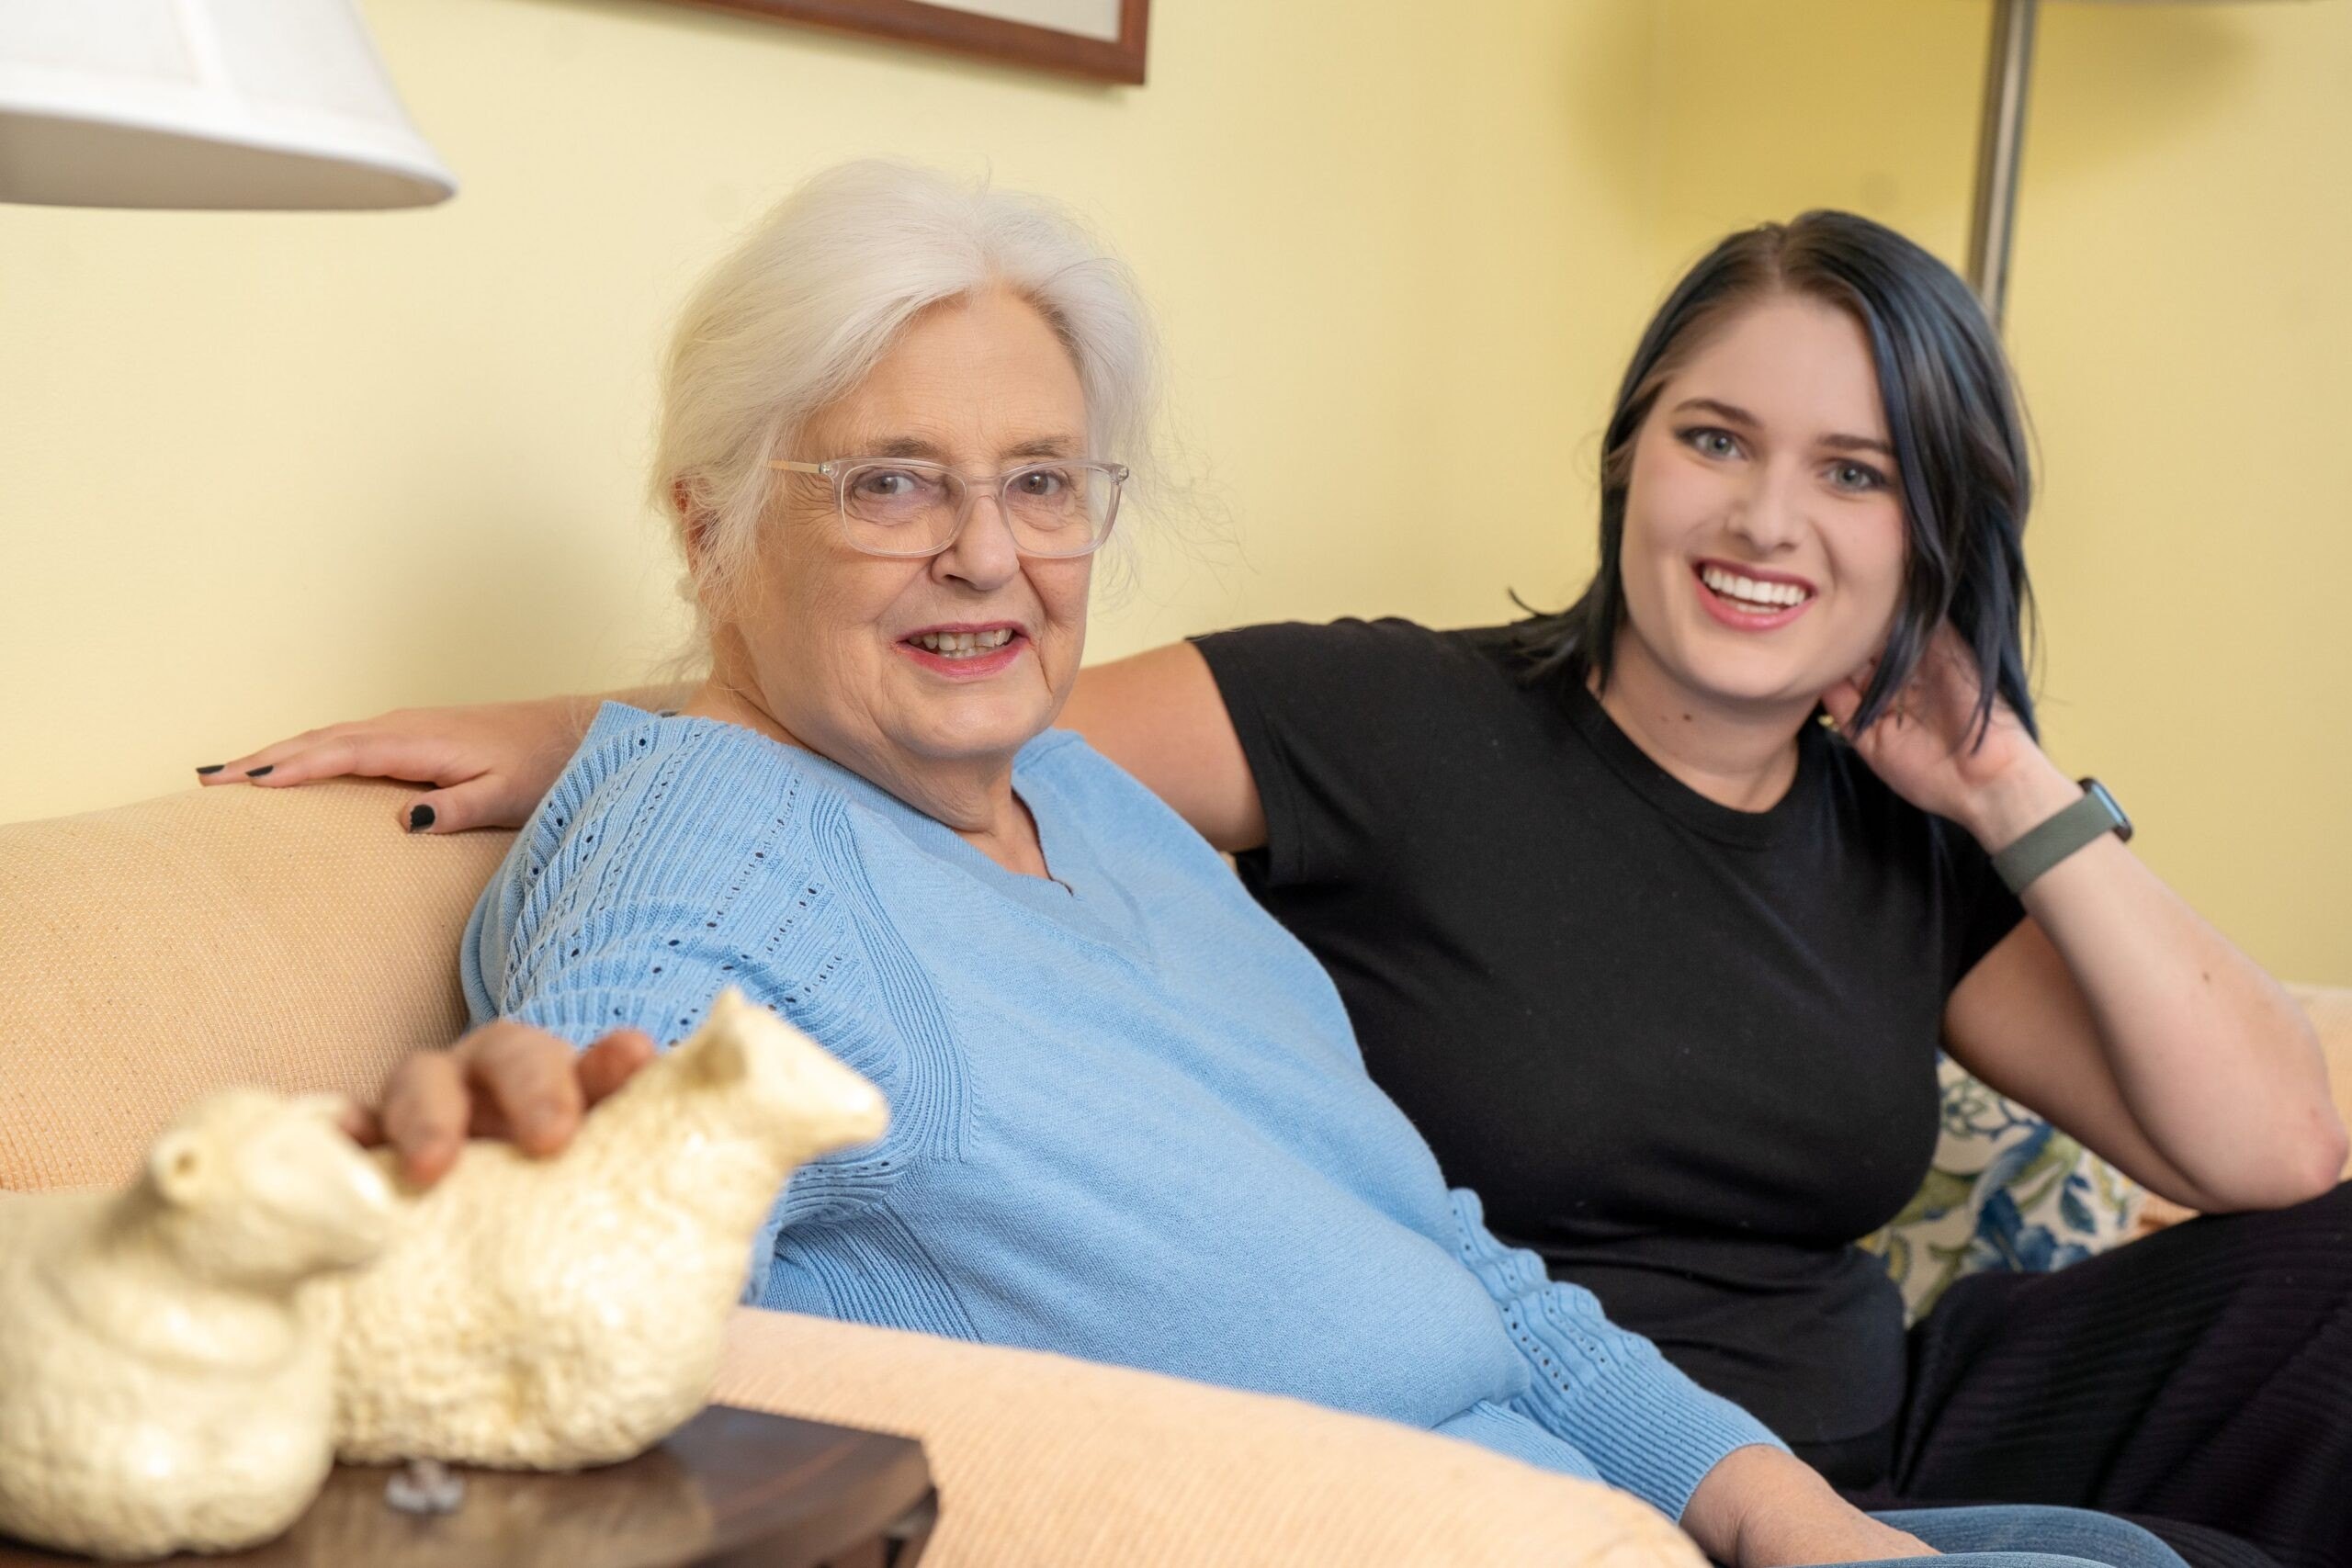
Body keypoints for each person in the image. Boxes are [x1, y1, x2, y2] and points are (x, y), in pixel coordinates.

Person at [209, 164, 2205, 1568]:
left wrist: (1792, 1522)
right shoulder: (693, 884)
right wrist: (493, 1215)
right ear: (709, 521)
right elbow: (579, 1293)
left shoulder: (1091, 808)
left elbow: (1486, 1290)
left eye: (1041, 482)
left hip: (1638, 1494)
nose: (983, 552)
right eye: (890, 482)